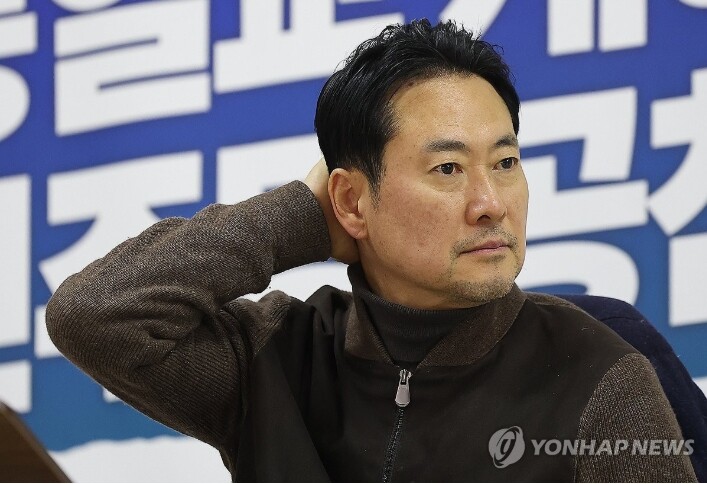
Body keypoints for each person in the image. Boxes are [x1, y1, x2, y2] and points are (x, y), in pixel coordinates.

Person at [46, 19, 696, 482]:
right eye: (447, 169)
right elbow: (93, 313)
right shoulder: (277, 360)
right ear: (351, 200)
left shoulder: (598, 375)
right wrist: (301, 218)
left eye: (505, 162)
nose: (490, 203)